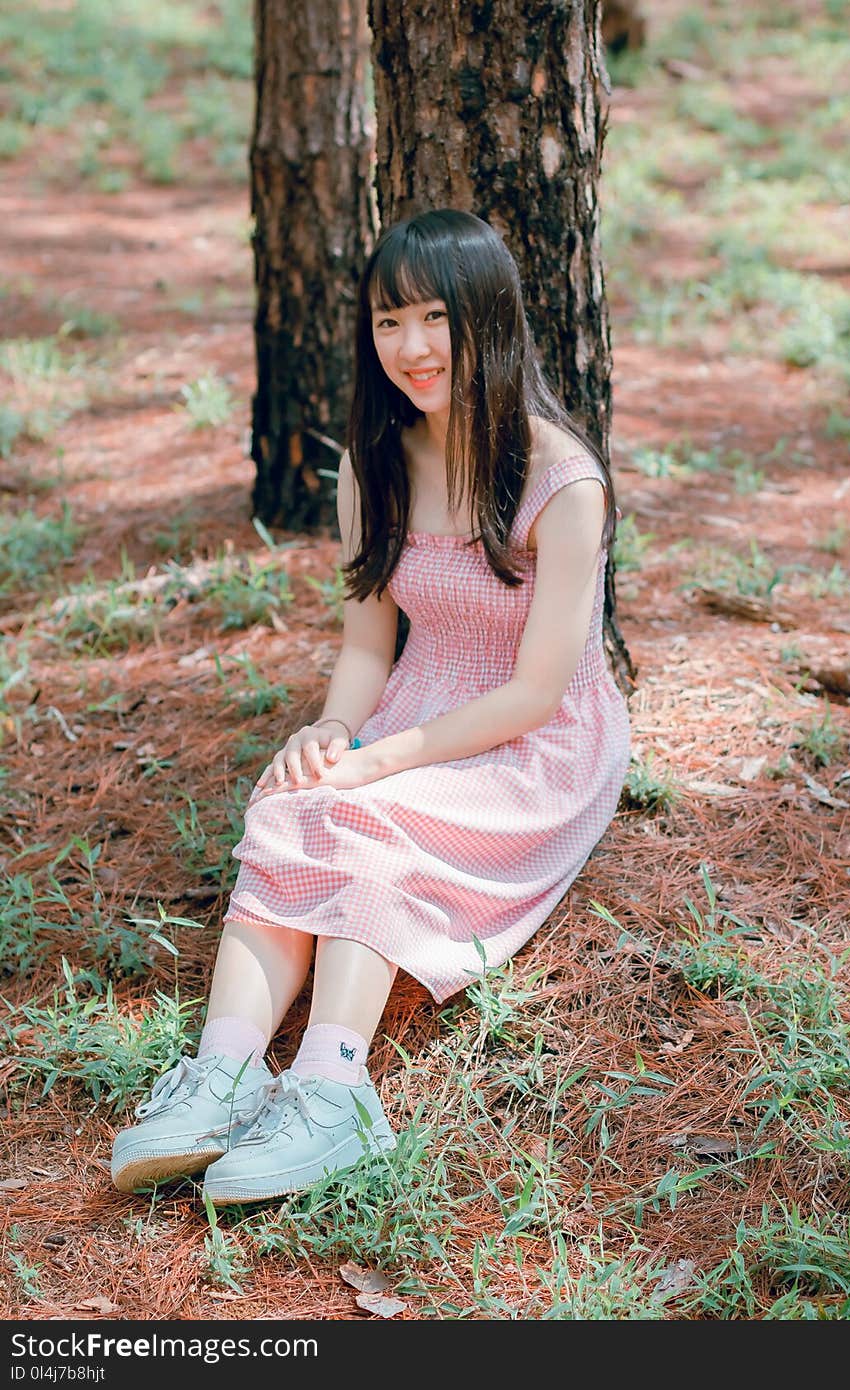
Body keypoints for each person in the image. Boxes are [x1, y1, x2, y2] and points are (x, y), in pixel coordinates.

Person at [111, 208, 631, 1205]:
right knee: (291, 803)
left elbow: (534, 690)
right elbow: (366, 645)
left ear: (490, 319)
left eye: (435, 316)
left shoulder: (561, 480)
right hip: (416, 702)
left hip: (534, 740)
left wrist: (378, 762)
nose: (413, 347)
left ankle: (333, 1086)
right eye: (389, 321)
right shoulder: (374, 465)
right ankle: (223, 1073)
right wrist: (332, 731)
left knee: (368, 818)